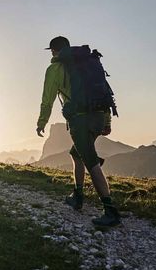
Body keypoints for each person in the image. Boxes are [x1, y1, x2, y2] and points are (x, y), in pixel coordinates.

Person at [37, 36, 121, 227]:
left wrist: (41, 122)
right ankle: (78, 195)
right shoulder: (88, 62)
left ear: (53, 51)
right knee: (76, 154)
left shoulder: (54, 69)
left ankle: (110, 211)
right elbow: (105, 91)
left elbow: (47, 99)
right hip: (99, 115)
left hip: (81, 120)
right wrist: (106, 121)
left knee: (90, 161)